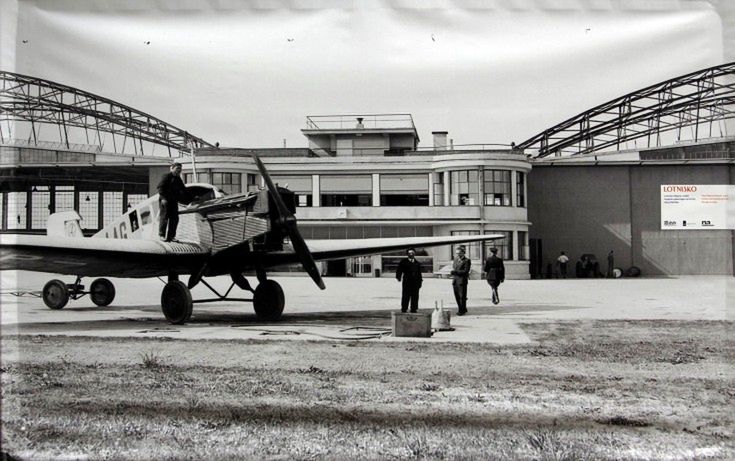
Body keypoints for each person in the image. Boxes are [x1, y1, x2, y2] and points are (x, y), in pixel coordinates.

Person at [156, 162, 194, 242]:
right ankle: (161, 235)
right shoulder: (166, 176)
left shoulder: (178, 179)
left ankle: (171, 237)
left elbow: (183, 190)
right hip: (165, 200)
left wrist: (193, 197)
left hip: (173, 201)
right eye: (177, 168)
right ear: (172, 168)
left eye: (180, 169)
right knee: (164, 217)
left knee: (174, 219)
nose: (179, 171)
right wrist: (163, 198)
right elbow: (160, 188)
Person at [395, 248, 423, 313]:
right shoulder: (403, 262)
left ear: (414, 254)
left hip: (415, 282)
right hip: (407, 281)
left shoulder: (417, 263)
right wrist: (398, 277)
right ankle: (404, 308)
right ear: (407, 254)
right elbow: (399, 270)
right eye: (410, 253)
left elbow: (419, 273)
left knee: (415, 296)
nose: (411, 254)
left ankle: (414, 308)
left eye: (412, 253)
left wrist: (420, 282)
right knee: (405, 295)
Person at [451, 246, 471, 316]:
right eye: (457, 253)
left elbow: (466, 271)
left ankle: (461, 310)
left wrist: (455, 272)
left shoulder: (466, 260)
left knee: (462, 296)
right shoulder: (456, 259)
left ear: (463, 252)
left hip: (462, 281)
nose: (458, 255)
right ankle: (463, 308)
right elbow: (454, 266)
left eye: (459, 253)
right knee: (457, 296)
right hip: (455, 281)